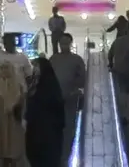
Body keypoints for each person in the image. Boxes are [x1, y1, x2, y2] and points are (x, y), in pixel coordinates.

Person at [50, 33, 86, 162]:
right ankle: (57, 152)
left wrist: (75, 90)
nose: (63, 45)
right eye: (61, 43)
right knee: (55, 126)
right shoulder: (53, 59)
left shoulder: (77, 60)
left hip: (70, 98)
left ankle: (67, 153)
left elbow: (83, 78)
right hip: (55, 99)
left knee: (69, 125)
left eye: (66, 43)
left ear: (70, 44)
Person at [26, 57, 65, 167]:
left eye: (36, 66)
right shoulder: (34, 83)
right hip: (36, 133)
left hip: (47, 134)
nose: (34, 68)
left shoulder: (49, 85)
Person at [108, 19, 129, 122]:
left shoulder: (117, 41)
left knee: (122, 91)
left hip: (119, 70)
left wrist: (111, 64)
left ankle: (122, 115)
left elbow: (110, 54)